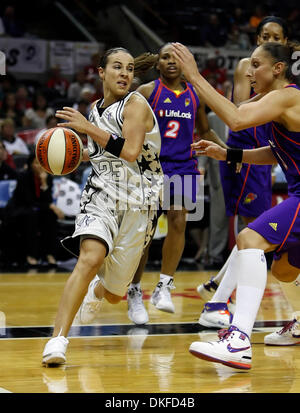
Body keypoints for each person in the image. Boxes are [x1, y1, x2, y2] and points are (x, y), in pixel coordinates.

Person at [172, 40, 300, 370]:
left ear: (278, 68)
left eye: (256, 64)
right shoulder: (278, 102)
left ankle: (239, 339)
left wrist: (194, 75)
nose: (249, 70)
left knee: (250, 239)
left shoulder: (289, 96)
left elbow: (237, 119)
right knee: (284, 268)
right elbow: (277, 151)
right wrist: (228, 153)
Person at [42, 47, 163, 366]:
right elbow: (99, 153)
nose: (125, 73)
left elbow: (132, 151)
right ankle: (57, 340)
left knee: (113, 293)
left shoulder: (135, 104)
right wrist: (66, 155)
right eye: (117, 67)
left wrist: (86, 129)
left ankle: (99, 292)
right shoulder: (94, 110)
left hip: (141, 202)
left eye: (129, 69)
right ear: (101, 72)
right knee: (90, 257)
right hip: (103, 192)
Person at [125, 43, 227, 325]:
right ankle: (134, 290)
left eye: (176, 57)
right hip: (151, 168)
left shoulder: (196, 94)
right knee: (144, 233)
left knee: (179, 221)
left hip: (184, 166)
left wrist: (229, 153)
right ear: (157, 64)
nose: (171, 61)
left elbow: (204, 130)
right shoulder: (147, 92)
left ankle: (164, 286)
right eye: (165, 57)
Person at [196, 16, 290, 323]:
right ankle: (220, 304)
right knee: (253, 231)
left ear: (285, 45)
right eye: (264, 36)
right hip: (247, 145)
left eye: (275, 38)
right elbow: (239, 114)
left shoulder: (287, 86)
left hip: (268, 149)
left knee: (272, 247)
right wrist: (229, 153)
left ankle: (218, 291)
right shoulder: (249, 68)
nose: (267, 41)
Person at [2, 152, 63, 268]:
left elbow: (48, 199)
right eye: (36, 163)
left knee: (51, 216)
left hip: (38, 210)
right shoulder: (23, 177)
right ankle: (32, 255)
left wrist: (44, 183)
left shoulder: (48, 177)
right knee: (32, 216)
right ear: (30, 165)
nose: (39, 166)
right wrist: (50, 206)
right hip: (20, 209)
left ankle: (50, 254)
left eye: (42, 163)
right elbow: (28, 200)